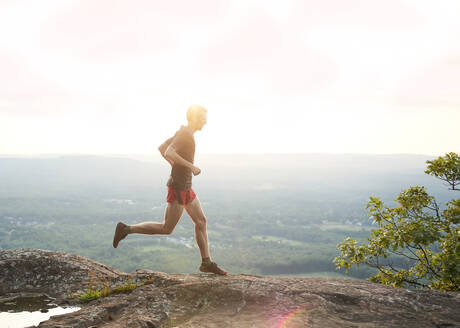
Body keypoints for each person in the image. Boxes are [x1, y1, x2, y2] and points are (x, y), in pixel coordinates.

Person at [112, 104, 227, 275]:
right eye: (203, 117)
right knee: (167, 228)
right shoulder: (185, 134)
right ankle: (126, 229)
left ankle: (206, 263)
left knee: (201, 221)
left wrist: (177, 166)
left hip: (186, 187)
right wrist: (191, 167)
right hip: (179, 187)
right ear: (194, 118)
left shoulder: (184, 132)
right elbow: (169, 151)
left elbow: (162, 149)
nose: (205, 122)